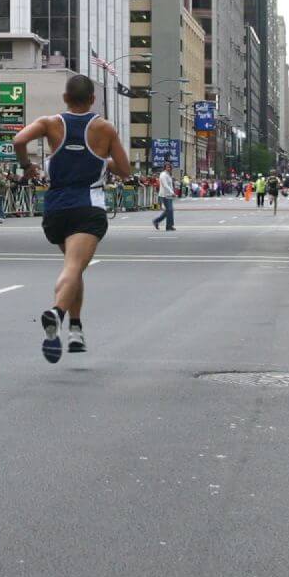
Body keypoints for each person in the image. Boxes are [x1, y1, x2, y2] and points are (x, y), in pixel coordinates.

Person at [14, 74, 131, 364]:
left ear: (65, 98)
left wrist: (27, 166)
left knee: (74, 268)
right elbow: (125, 170)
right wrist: (104, 159)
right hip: (87, 207)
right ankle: (58, 312)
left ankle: (76, 331)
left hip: (55, 209)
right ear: (93, 99)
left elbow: (18, 139)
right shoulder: (104, 128)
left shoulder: (49, 123)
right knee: (73, 268)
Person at [152, 162, 177, 231]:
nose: (169, 168)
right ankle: (168, 226)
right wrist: (172, 193)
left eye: (169, 167)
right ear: (165, 168)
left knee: (169, 210)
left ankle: (157, 221)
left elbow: (170, 185)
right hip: (164, 195)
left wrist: (172, 192)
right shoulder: (163, 175)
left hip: (169, 195)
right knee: (169, 210)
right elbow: (165, 185)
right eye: (167, 167)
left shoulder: (168, 174)